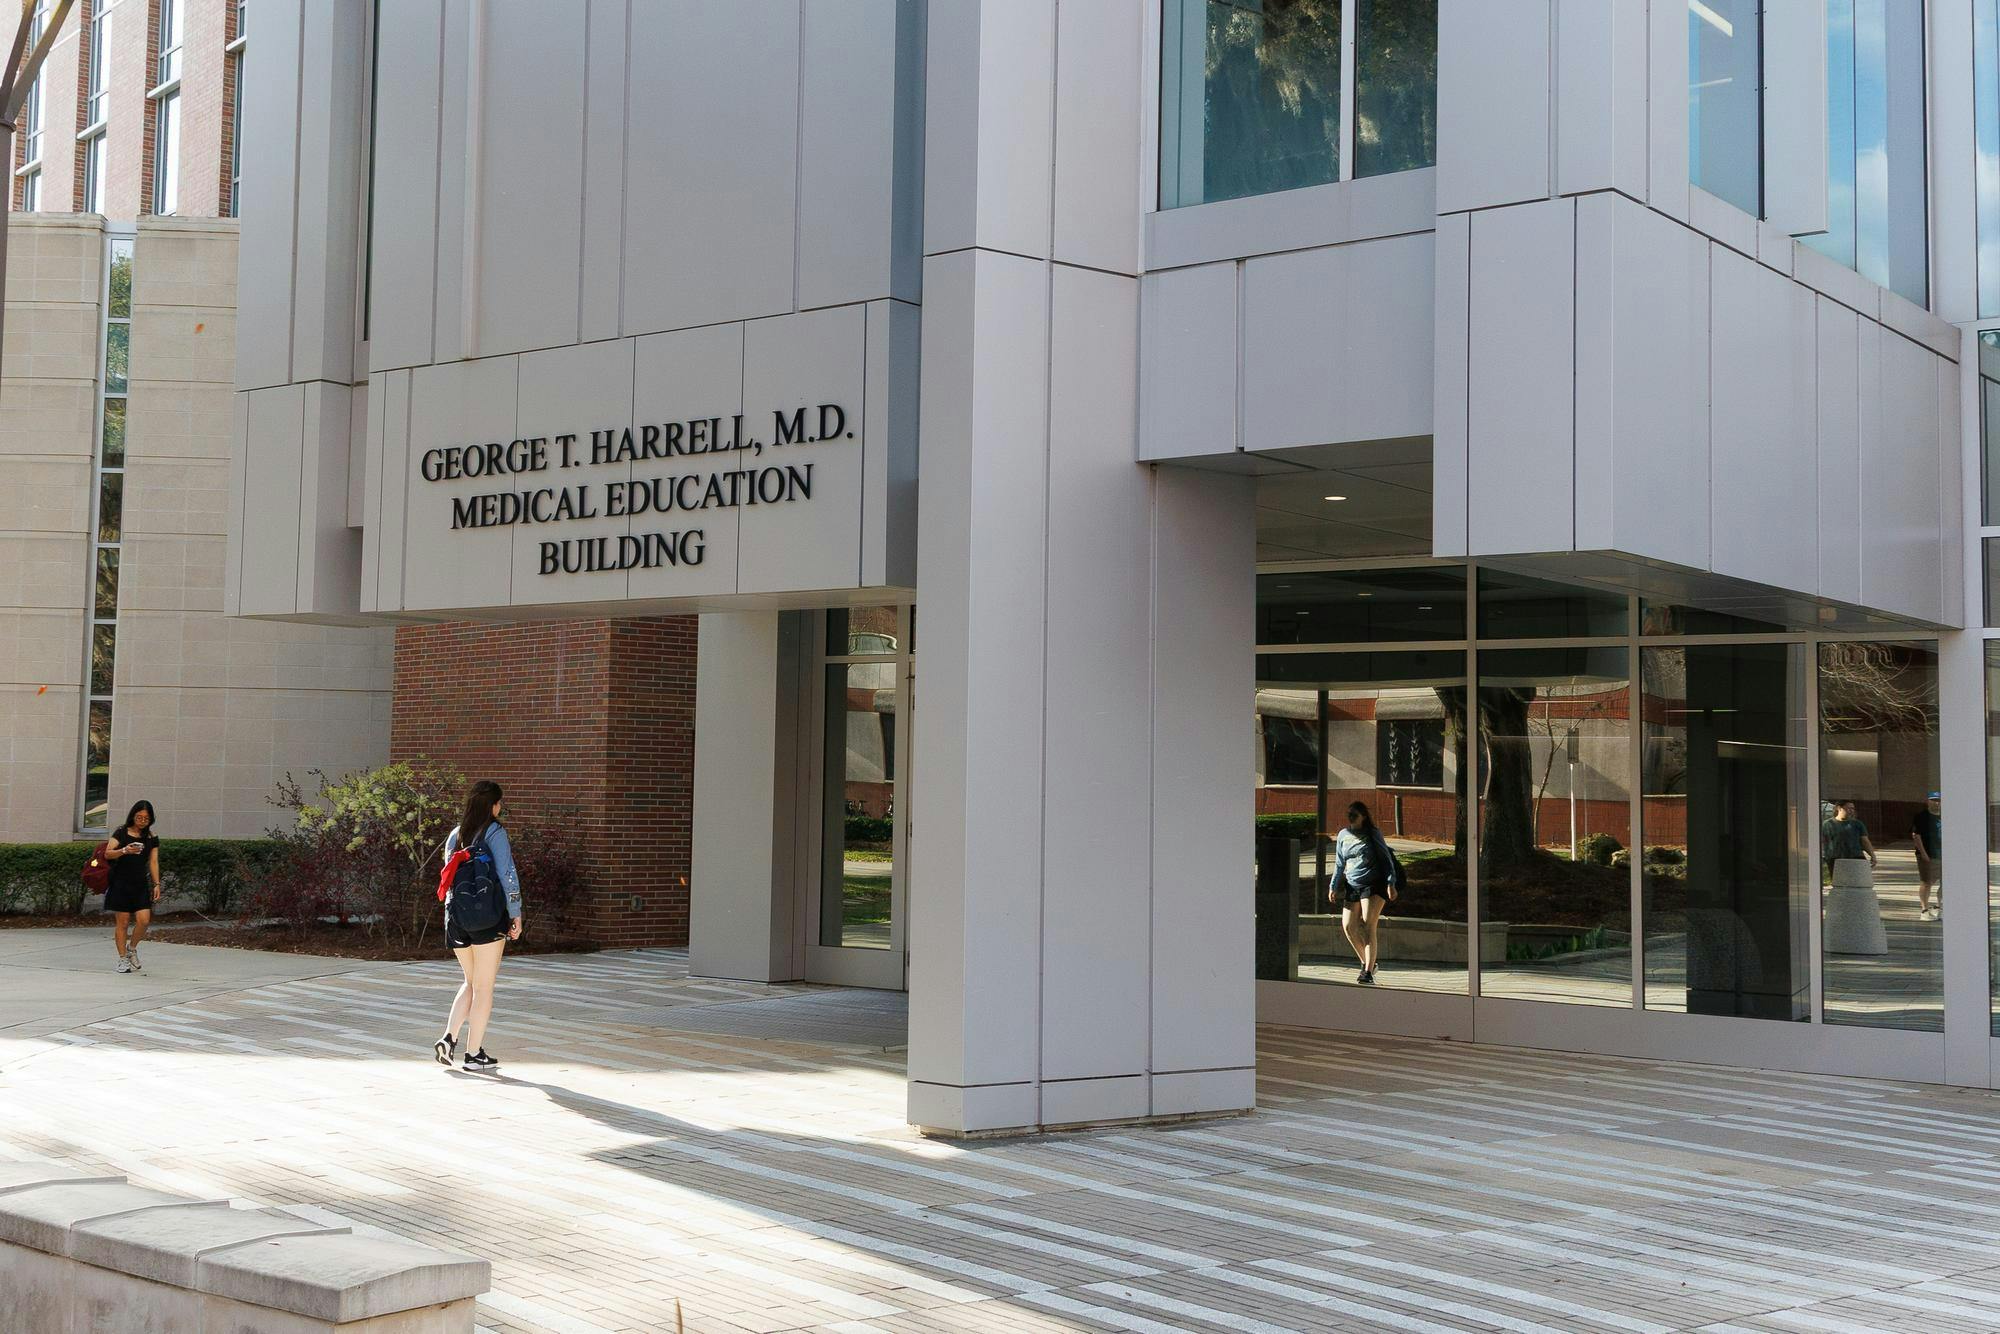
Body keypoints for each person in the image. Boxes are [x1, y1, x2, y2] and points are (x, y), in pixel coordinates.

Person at [435, 780, 522, 1072]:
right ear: (493, 805)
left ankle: (449, 1038)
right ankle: (473, 1055)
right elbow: (507, 874)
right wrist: (516, 913)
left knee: (470, 982)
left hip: (457, 918)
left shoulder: (455, 836)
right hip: (487, 920)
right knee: (484, 987)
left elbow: (447, 880)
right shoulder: (495, 833)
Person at [1329, 800, 1402, 985]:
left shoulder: (1372, 834)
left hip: (1373, 884)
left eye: (1354, 814)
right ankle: (1367, 962)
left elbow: (1387, 860)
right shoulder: (1343, 835)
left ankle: (1367, 972)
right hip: (1352, 885)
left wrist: (1390, 883)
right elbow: (1339, 864)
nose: (1351, 816)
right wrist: (1333, 886)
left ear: (1363, 816)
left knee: (1368, 925)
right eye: (1349, 813)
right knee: (1348, 926)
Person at [102, 799, 160, 974]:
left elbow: (154, 861)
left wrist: (157, 883)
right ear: (133, 816)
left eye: (146, 818)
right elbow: (107, 853)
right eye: (139, 817)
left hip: (140, 883)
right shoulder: (121, 832)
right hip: (121, 882)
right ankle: (122, 959)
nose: (142, 821)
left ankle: (131, 949)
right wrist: (124, 850)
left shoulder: (151, 837)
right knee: (123, 922)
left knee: (144, 920)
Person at [1821, 799, 1876, 880]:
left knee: (1858, 881)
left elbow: (1865, 841)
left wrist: (1872, 855)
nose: (1851, 811)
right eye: (1848, 808)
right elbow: (1822, 841)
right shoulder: (1827, 824)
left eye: (1853, 809)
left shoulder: (1857, 824)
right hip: (1835, 859)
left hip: (1855, 857)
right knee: (1838, 882)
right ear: (1839, 808)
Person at [1913, 791, 1942, 922]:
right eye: (1934, 800)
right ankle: (1924, 910)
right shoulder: (1922, 817)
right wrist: (1923, 853)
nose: (1937, 803)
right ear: (1928, 801)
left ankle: (1939, 907)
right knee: (1927, 882)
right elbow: (1916, 836)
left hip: (1943, 854)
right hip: (1928, 854)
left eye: (1939, 800)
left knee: (1946, 883)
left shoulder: (1946, 815)